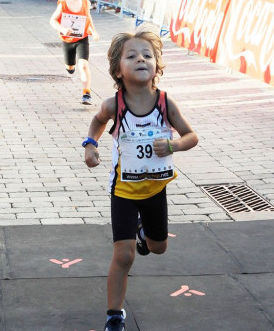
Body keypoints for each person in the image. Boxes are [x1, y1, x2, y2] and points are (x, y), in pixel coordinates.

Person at [83, 30, 199, 331]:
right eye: (132, 56)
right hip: (123, 190)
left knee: (157, 247)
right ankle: (114, 315)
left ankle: (144, 232)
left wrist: (173, 145)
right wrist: (90, 145)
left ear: (156, 66)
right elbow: (97, 122)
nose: (140, 60)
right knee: (123, 255)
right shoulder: (115, 105)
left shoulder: (164, 102)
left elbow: (191, 136)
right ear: (117, 69)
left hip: (155, 189)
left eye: (147, 55)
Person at [49, 0, 99, 104]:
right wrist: (63, 29)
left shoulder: (86, 3)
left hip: (82, 38)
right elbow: (53, 20)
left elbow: (88, 17)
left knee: (83, 65)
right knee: (71, 67)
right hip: (67, 40)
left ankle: (86, 93)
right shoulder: (63, 3)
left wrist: (93, 31)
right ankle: (70, 67)